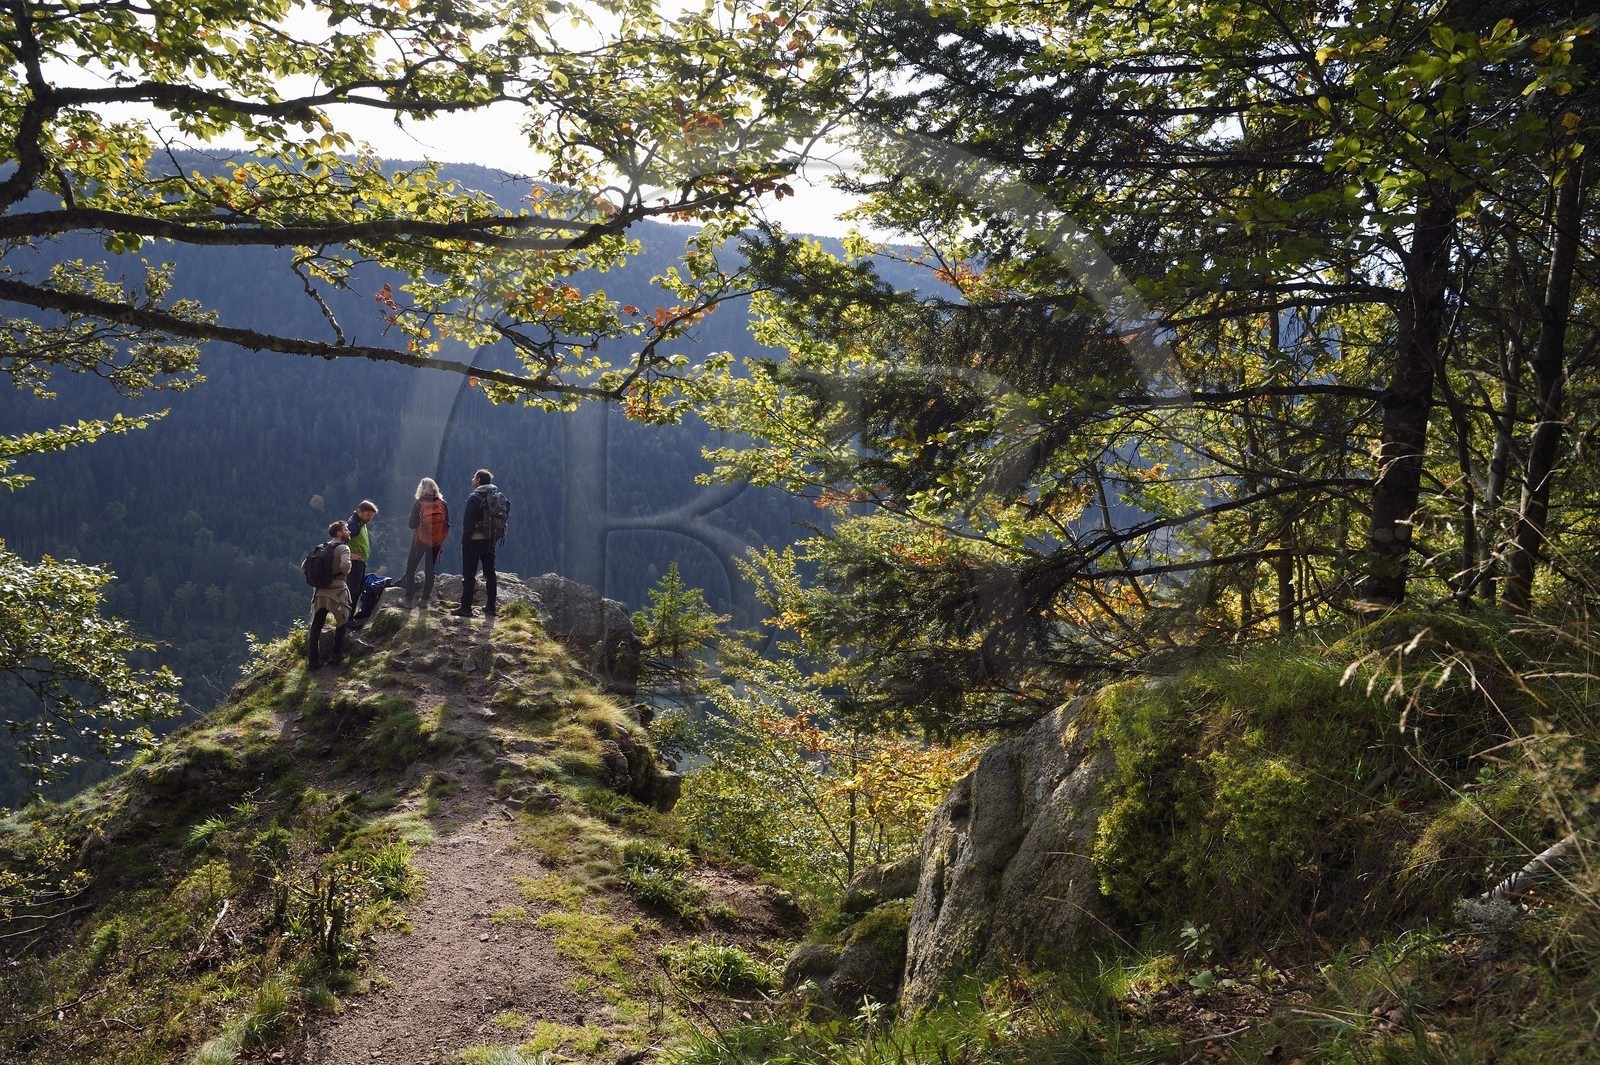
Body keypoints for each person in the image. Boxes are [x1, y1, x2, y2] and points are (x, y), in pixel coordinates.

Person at [456, 468, 507, 617]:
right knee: (490, 573)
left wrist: (464, 542)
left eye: (474, 478)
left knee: (469, 574)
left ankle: (465, 608)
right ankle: (491, 607)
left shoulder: (475, 498)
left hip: (474, 541)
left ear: (478, 480)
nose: (472, 480)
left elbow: (468, 523)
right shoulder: (495, 497)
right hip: (490, 541)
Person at [308, 520, 353, 669]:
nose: (349, 532)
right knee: (342, 622)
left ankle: (313, 661)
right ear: (339, 533)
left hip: (319, 593)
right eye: (346, 529)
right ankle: (336, 656)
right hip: (337, 592)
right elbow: (346, 566)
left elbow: (304, 566)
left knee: (316, 626)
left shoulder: (321, 548)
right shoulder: (343, 548)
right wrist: (343, 572)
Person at [401, 477, 449, 610]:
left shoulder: (419, 503)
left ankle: (408, 600)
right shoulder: (442, 504)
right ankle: (424, 600)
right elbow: (447, 524)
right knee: (430, 570)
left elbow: (412, 524)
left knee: (411, 568)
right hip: (436, 542)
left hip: (420, 541)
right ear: (435, 488)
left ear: (421, 489)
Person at [345, 500, 379, 624]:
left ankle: (350, 618)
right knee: (353, 591)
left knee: (357, 590)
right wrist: (349, 555)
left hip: (360, 563)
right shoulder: (353, 524)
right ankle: (347, 620)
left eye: (372, 516)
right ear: (360, 512)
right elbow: (340, 542)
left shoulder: (360, 522)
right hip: (354, 564)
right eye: (368, 515)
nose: (370, 518)